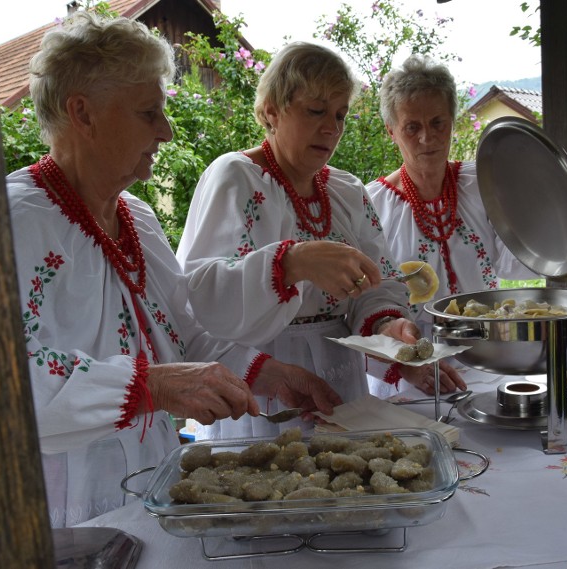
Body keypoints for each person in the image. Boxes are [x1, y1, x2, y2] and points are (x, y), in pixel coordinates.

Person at [9, 13, 339, 527]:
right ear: (82, 113)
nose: (164, 131)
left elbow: (185, 334)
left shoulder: (135, 217)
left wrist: (274, 375)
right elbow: (7, 380)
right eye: (148, 113)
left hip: (150, 481)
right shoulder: (16, 220)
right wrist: (154, 386)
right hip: (63, 502)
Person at [176, 42, 466, 440]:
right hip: (265, 379)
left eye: (340, 114)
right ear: (273, 110)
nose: (331, 128)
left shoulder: (347, 191)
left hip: (341, 378)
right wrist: (291, 263)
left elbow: (376, 287)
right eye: (316, 111)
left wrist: (389, 325)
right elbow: (197, 293)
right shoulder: (236, 177)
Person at [365, 55, 536, 397]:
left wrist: (529, 202)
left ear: (453, 122)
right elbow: (365, 303)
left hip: (489, 360)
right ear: (391, 131)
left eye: (438, 122)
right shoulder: (371, 204)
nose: (427, 137)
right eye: (412, 127)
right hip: (413, 373)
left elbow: (514, 262)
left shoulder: (483, 183)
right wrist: (403, 361)